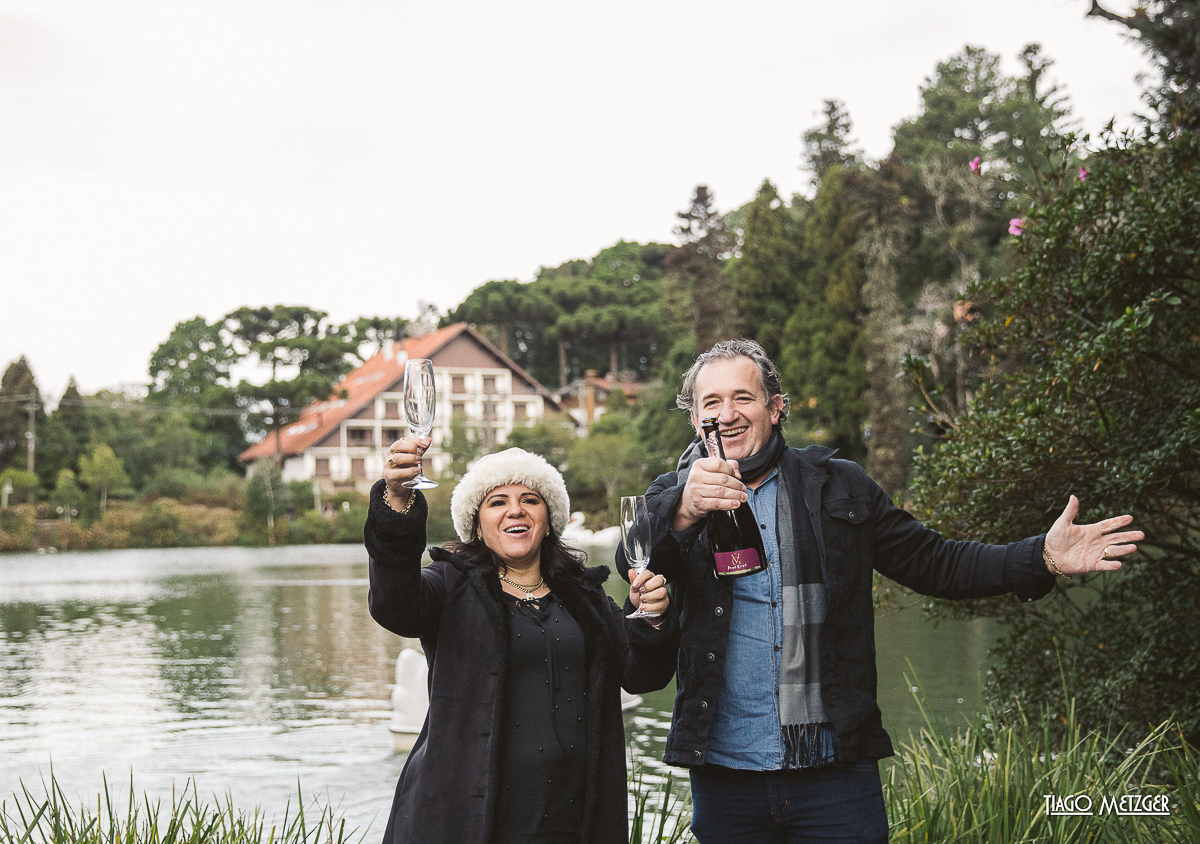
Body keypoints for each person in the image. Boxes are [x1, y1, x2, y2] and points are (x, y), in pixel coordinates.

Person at [616, 338, 1143, 844]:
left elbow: (937, 564)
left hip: (835, 771)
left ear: (775, 408)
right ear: (694, 417)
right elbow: (634, 569)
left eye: (743, 398)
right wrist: (686, 509)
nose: (727, 413)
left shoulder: (841, 487)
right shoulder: (670, 497)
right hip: (726, 774)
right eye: (713, 402)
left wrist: (1043, 557)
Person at [366, 439, 680, 844]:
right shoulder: (449, 586)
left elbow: (644, 675)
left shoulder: (586, 596)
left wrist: (652, 618)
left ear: (548, 520)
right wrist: (396, 499)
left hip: (572, 816)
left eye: (530, 499)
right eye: (497, 502)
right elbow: (393, 604)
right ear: (477, 525)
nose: (515, 509)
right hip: (468, 817)